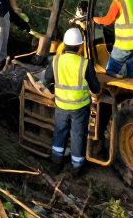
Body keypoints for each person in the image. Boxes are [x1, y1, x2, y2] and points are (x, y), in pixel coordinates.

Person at [44, 27, 100, 172]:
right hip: (80, 108)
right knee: (78, 135)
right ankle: (77, 167)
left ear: (64, 43)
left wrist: (54, 92)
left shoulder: (56, 60)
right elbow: (95, 87)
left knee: (59, 132)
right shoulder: (85, 63)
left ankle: (56, 163)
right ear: (80, 45)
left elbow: (48, 80)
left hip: (61, 104)